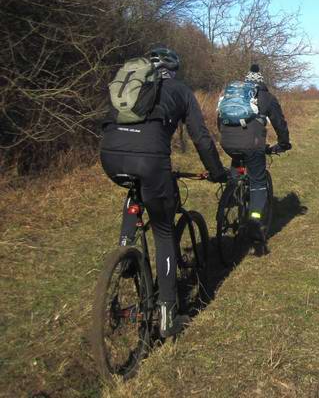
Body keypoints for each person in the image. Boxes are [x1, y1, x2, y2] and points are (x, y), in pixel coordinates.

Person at [100, 44, 228, 338]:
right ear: (173, 69)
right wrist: (217, 172)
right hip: (150, 159)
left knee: (135, 191)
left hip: (109, 154)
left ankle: (126, 253)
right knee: (164, 231)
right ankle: (168, 313)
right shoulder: (181, 91)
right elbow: (201, 137)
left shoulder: (131, 85)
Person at [218, 64, 291, 251]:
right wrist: (283, 143)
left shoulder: (231, 95)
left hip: (227, 142)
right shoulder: (266, 97)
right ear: (261, 82)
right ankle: (254, 219)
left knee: (236, 173)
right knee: (258, 182)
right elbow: (279, 123)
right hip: (253, 144)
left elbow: (220, 120)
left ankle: (229, 201)